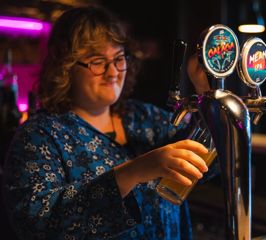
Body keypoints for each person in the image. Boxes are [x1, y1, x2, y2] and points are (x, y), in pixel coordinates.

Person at [2, 6, 211, 240]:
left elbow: (207, 165)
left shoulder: (145, 117)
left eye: (119, 59)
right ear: (66, 67)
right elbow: (35, 223)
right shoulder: (40, 136)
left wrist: (205, 92)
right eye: (98, 61)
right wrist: (132, 172)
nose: (113, 72)